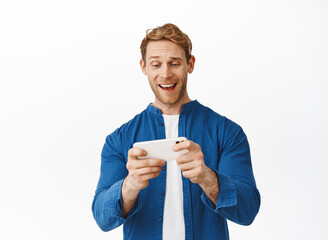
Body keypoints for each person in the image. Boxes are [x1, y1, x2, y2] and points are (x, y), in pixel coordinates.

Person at [92, 23, 260, 240]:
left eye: (174, 63)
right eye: (156, 64)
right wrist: (130, 185)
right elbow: (102, 219)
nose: (165, 74)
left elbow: (248, 212)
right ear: (143, 67)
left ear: (190, 64)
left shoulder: (228, 133)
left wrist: (208, 178)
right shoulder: (119, 139)